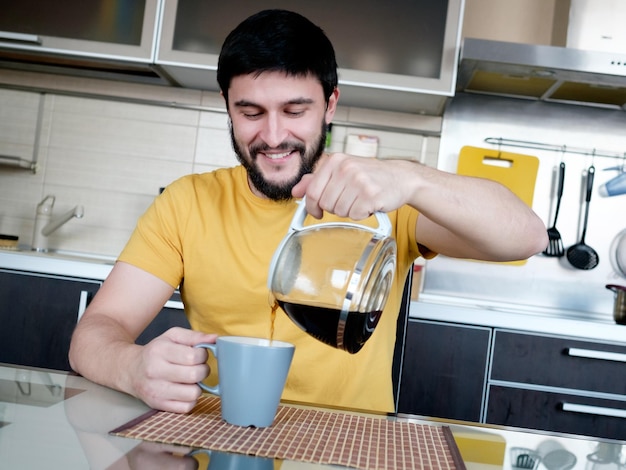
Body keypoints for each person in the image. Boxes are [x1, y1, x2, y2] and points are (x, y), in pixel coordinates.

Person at [69, 9, 547, 415]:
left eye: (295, 111)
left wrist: (411, 179)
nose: (273, 136)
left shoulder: (388, 204)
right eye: (251, 112)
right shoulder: (186, 202)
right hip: (221, 443)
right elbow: (96, 332)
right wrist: (131, 368)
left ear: (330, 105)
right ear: (227, 107)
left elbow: (526, 237)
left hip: (348, 449)